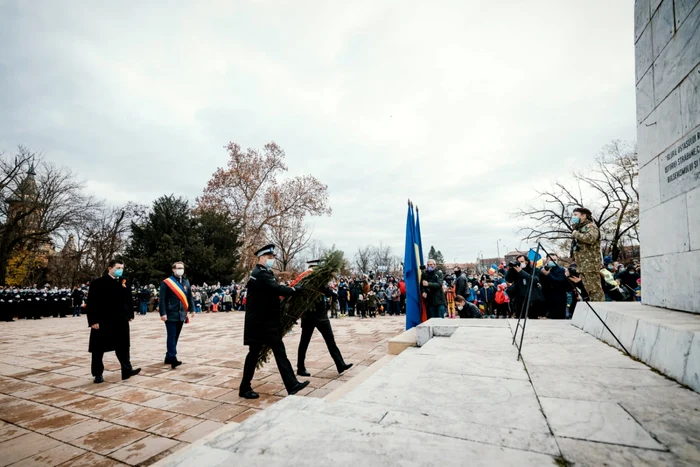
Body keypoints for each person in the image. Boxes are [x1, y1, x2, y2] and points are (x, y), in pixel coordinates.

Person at [239, 244, 309, 400]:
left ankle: (291, 385)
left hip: (266, 323)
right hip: (260, 324)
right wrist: (294, 290)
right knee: (256, 355)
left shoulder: (266, 273)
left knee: (274, 352)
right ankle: (245, 388)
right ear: (262, 258)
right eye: (270, 258)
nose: (272, 260)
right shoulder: (260, 274)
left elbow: (274, 289)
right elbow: (276, 289)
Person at [295, 260, 353, 378]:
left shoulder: (319, 281)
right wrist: (333, 293)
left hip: (320, 316)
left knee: (330, 341)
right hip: (311, 316)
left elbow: (328, 291)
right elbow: (328, 291)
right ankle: (300, 367)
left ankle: (340, 364)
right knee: (305, 342)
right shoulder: (307, 281)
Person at [87, 260, 141, 384]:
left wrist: (130, 314)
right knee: (98, 349)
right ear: (110, 268)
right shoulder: (98, 283)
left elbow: (128, 299)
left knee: (123, 346)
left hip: (120, 320)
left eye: (122, 267)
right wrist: (93, 320)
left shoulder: (124, 281)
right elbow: (92, 303)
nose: (120, 270)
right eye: (117, 267)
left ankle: (127, 369)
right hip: (103, 320)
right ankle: (97, 373)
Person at [159, 261, 195, 369]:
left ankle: (168, 356)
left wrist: (192, 309)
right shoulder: (167, 282)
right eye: (178, 268)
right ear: (173, 269)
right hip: (170, 314)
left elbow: (189, 297)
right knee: (172, 335)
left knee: (176, 336)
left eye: (182, 268)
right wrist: (163, 313)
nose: (180, 270)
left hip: (181, 314)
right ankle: (173, 358)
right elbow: (162, 300)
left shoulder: (186, 282)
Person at [571, 207, 604, 301]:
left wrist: (576, 234)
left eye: (575, 215)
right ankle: (594, 304)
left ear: (583, 216)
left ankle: (599, 306)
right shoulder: (580, 228)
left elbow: (591, 238)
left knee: (594, 288)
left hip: (590, 263)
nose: (573, 217)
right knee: (588, 288)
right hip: (583, 264)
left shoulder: (590, 226)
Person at [539, 254, 568, 319]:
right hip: (546, 297)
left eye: (555, 260)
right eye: (551, 260)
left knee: (558, 318)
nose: (553, 261)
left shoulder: (561, 270)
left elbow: (559, 281)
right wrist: (542, 273)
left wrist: (548, 274)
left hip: (558, 297)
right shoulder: (542, 269)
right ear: (547, 260)